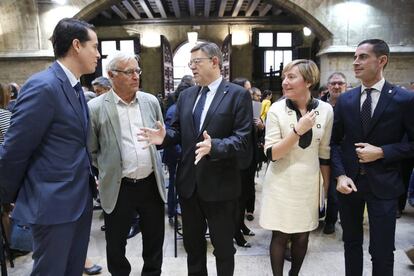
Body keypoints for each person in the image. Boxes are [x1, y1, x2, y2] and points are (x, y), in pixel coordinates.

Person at [138, 42, 252, 276]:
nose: (191, 67)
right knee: (194, 248)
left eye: (196, 62)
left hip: (221, 187)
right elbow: (178, 131)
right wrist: (164, 137)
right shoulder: (187, 95)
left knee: (223, 249)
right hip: (189, 185)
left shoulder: (237, 95)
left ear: (214, 62)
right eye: (190, 63)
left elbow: (242, 139)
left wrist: (215, 146)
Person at [0, 18, 100, 275]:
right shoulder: (44, 86)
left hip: (78, 199)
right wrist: (5, 196)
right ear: (76, 45)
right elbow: (15, 149)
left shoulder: (74, 86)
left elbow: (73, 143)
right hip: (53, 203)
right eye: (95, 47)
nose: (98, 54)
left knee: (72, 269)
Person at [330, 39, 414, 276]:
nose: (356, 63)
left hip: (384, 185)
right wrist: (340, 175)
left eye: (363, 57)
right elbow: (334, 143)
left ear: (382, 61)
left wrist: (383, 152)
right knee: (351, 245)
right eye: (355, 57)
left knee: (382, 250)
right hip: (350, 185)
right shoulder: (346, 100)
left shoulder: (403, 99)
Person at [88, 50, 166, 276]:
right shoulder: (96, 107)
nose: (136, 76)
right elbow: (92, 149)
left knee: (154, 239)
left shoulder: (150, 101)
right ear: (111, 75)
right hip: (119, 185)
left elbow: (159, 135)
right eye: (129, 72)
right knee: (116, 243)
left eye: (137, 71)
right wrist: (107, 169)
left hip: (150, 183)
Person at [259, 59, 333, 276]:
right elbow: (272, 154)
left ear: (308, 81)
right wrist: (297, 131)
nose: (285, 82)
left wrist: (325, 187)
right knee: (280, 235)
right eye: (284, 77)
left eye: (291, 77)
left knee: (303, 234)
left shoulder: (326, 110)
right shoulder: (276, 109)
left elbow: (325, 153)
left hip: (309, 182)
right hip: (281, 181)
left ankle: (294, 274)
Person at [163, 80, 195, 226]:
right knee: (174, 184)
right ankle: (172, 213)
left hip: (181, 155)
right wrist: (183, 155)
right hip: (176, 156)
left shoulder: (180, 108)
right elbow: (171, 135)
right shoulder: (174, 110)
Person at [321, 72, 348, 234]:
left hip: (342, 153)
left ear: (345, 85)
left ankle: (331, 220)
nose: (337, 86)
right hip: (321, 152)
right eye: (333, 83)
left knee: (335, 191)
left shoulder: (351, 104)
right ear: (328, 86)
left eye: (340, 83)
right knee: (320, 187)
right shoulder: (319, 104)